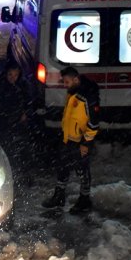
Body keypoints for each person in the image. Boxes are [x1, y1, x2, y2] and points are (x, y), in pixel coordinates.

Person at [41, 66, 100, 213]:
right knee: (62, 167)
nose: (65, 85)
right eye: (64, 82)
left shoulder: (87, 97)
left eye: (67, 82)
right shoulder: (73, 93)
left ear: (76, 79)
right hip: (68, 139)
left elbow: (94, 123)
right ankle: (59, 196)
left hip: (80, 142)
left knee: (82, 171)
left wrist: (86, 143)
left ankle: (84, 200)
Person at [0, 60, 35, 185]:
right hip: (2, 119)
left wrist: (25, 113)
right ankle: (9, 175)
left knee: (23, 148)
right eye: (10, 75)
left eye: (16, 75)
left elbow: (29, 100)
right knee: (6, 148)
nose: (13, 78)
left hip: (18, 120)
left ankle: (25, 174)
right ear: (6, 73)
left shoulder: (23, 84)